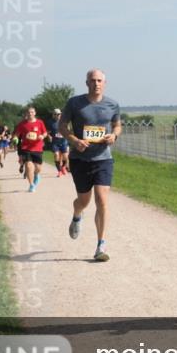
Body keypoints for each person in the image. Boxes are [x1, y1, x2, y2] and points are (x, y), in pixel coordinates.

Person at [59, 69, 121, 262]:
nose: (96, 84)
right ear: (86, 83)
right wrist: (74, 140)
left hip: (103, 158)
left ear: (105, 83)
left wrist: (114, 135)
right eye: (93, 80)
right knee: (83, 201)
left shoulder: (112, 104)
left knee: (102, 200)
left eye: (99, 80)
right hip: (80, 159)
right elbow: (62, 125)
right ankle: (77, 214)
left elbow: (117, 125)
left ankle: (101, 245)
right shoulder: (75, 103)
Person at [13, 107, 47, 192]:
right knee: (28, 166)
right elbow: (17, 134)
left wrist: (42, 136)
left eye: (32, 112)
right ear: (26, 114)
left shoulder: (40, 122)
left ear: (35, 113)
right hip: (26, 148)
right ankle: (31, 185)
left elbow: (45, 133)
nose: (30, 114)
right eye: (28, 112)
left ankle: (36, 175)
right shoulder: (22, 124)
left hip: (38, 147)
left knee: (38, 168)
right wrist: (15, 138)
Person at [50, 108, 70, 177]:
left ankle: (63, 167)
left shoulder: (65, 122)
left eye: (58, 114)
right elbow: (47, 132)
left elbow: (69, 131)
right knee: (56, 155)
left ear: (60, 114)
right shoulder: (51, 123)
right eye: (55, 114)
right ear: (53, 115)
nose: (57, 115)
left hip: (64, 141)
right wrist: (49, 136)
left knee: (65, 157)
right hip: (55, 142)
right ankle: (59, 171)